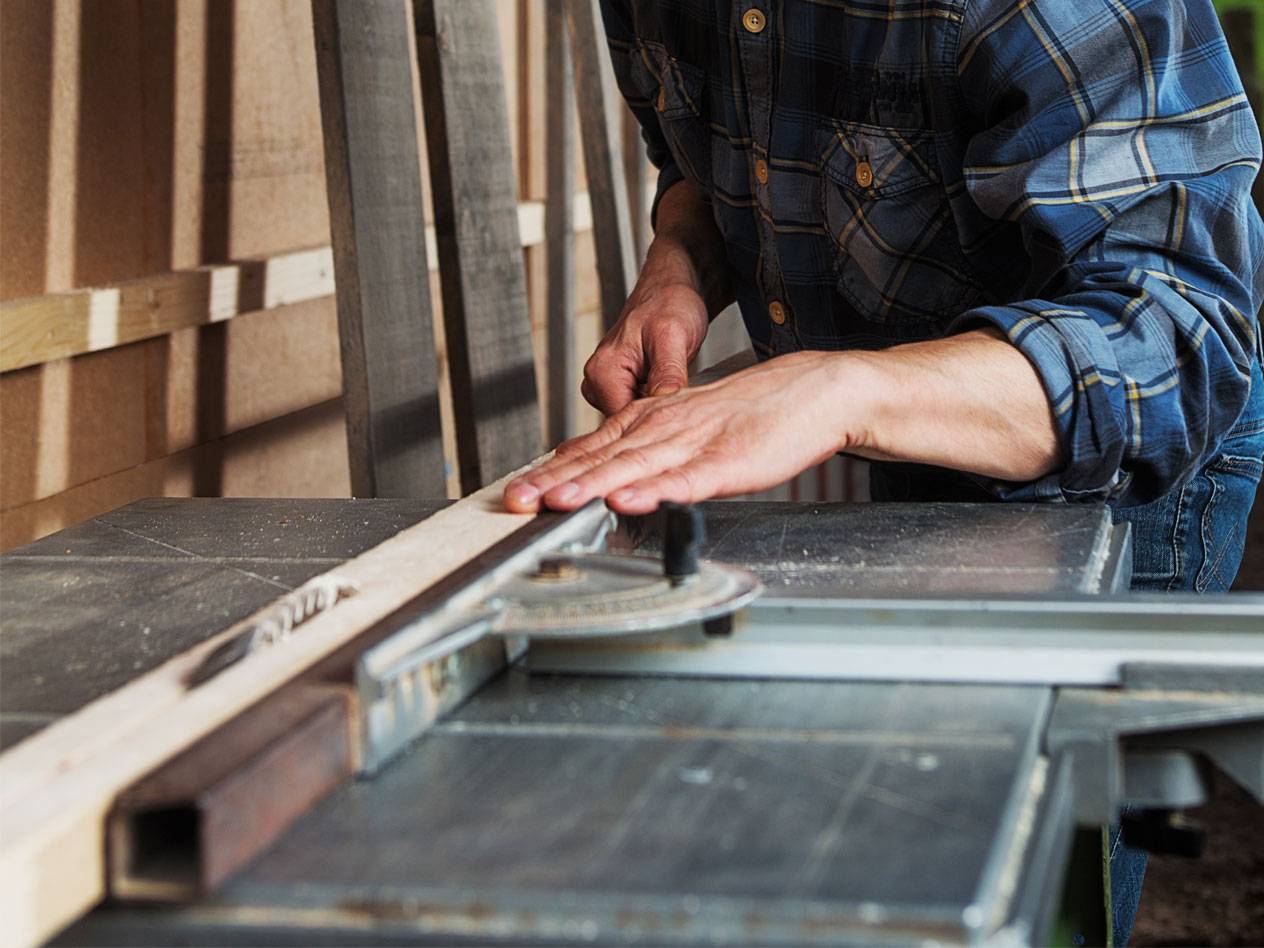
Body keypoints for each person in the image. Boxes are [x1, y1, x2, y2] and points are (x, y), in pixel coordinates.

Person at [503, 2, 1264, 941]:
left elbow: (1181, 334)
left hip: (1120, 452)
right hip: (895, 428)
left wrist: (843, 390)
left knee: (1021, 869)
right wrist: (679, 262)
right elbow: (702, 156)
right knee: (895, 823)